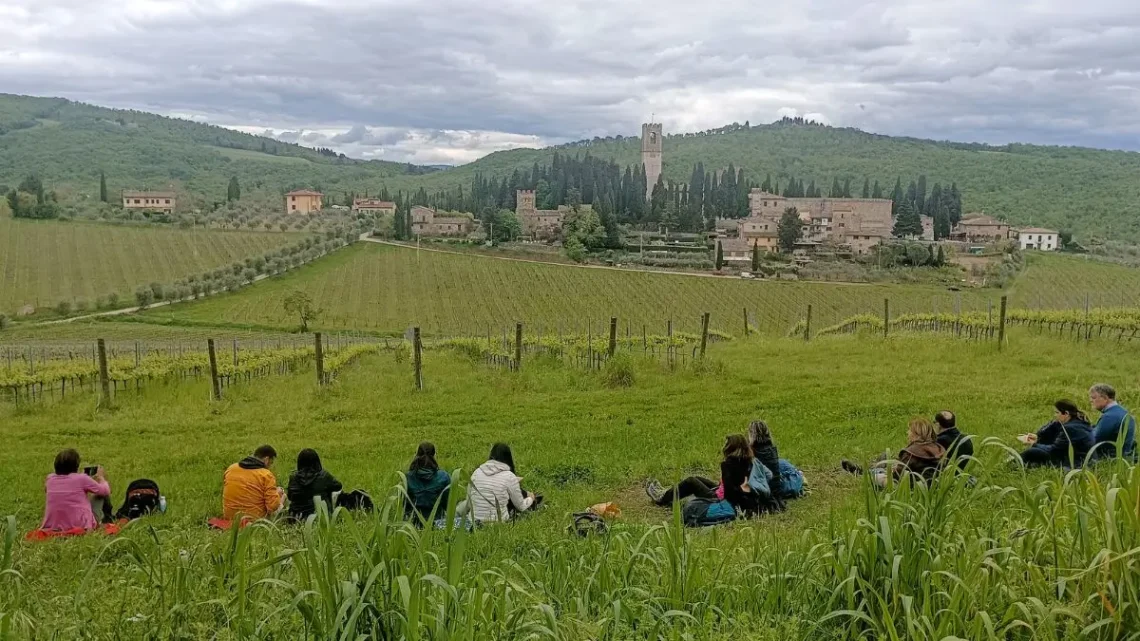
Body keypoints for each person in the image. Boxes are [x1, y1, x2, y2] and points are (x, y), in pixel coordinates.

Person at [648, 435, 761, 516]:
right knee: (697, 478)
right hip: (735, 497)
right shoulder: (748, 462)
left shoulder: (728, 465)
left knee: (691, 481)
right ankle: (667, 493)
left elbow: (730, 490)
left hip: (721, 500)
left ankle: (662, 499)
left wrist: (720, 492)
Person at [843, 418, 946, 488]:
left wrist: (891, 471)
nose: (907, 433)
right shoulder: (939, 448)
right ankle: (880, 465)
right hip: (932, 485)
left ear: (916, 434)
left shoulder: (912, 452)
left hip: (910, 486)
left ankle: (860, 472)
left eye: (909, 430)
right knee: (891, 465)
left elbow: (897, 477)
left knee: (878, 476)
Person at [40, 449, 111, 532]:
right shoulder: (82, 479)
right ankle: (109, 518)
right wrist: (101, 478)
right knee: (100, 495)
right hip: (80, 525)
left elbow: (49, 490)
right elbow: (105, 491)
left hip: (54, 525)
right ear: (76, 466)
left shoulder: (50, 479)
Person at [468, 443, 537, 523]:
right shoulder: (509, 476)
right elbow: (521, 506)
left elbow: (470, 501)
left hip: (473, 520)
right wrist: (531, 498)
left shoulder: (476, 472)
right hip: (498, 521)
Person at [1019, 400, 1094, 468]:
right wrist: (1037, 436)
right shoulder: (1078, 421)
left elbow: (1053, 449)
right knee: (1042, 443)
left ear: (1066, 413)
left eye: (1057, 412)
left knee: (1032, 452)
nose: (1055, 415)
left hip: (1076, 462)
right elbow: (1044, 434)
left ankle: (1014, 464)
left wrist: (1034, 443)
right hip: (1079, 457)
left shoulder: (1070, 428)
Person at [222, 445, 283, 520]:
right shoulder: (266, 474)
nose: (270, 466)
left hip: (230, 517)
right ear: (266, 459)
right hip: (254, 519)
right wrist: (278, 494)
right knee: (282, 495)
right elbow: (272, 507)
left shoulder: (231, 468)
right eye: (271, 463)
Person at [286, 449, 342, 520]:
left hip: (296, 517)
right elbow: (338, 486)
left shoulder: (293, 477)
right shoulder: (324, 476)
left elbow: (290, 496)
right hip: (320, 516)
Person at [1088, 383, 1136, 461]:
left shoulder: (1110, 416)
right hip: (1125, 456)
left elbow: (1093, 439)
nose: (1091, 400)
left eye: (1093, 398)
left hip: (1111, 458)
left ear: (1105, 398)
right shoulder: (1123, 411)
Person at [405, 442, 451, 522]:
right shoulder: (443, 476)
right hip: (437, 520)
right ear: (434, 455)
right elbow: (447, 504)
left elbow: (404, 504)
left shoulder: (407, 477)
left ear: (417, 455)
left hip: (412, 521)